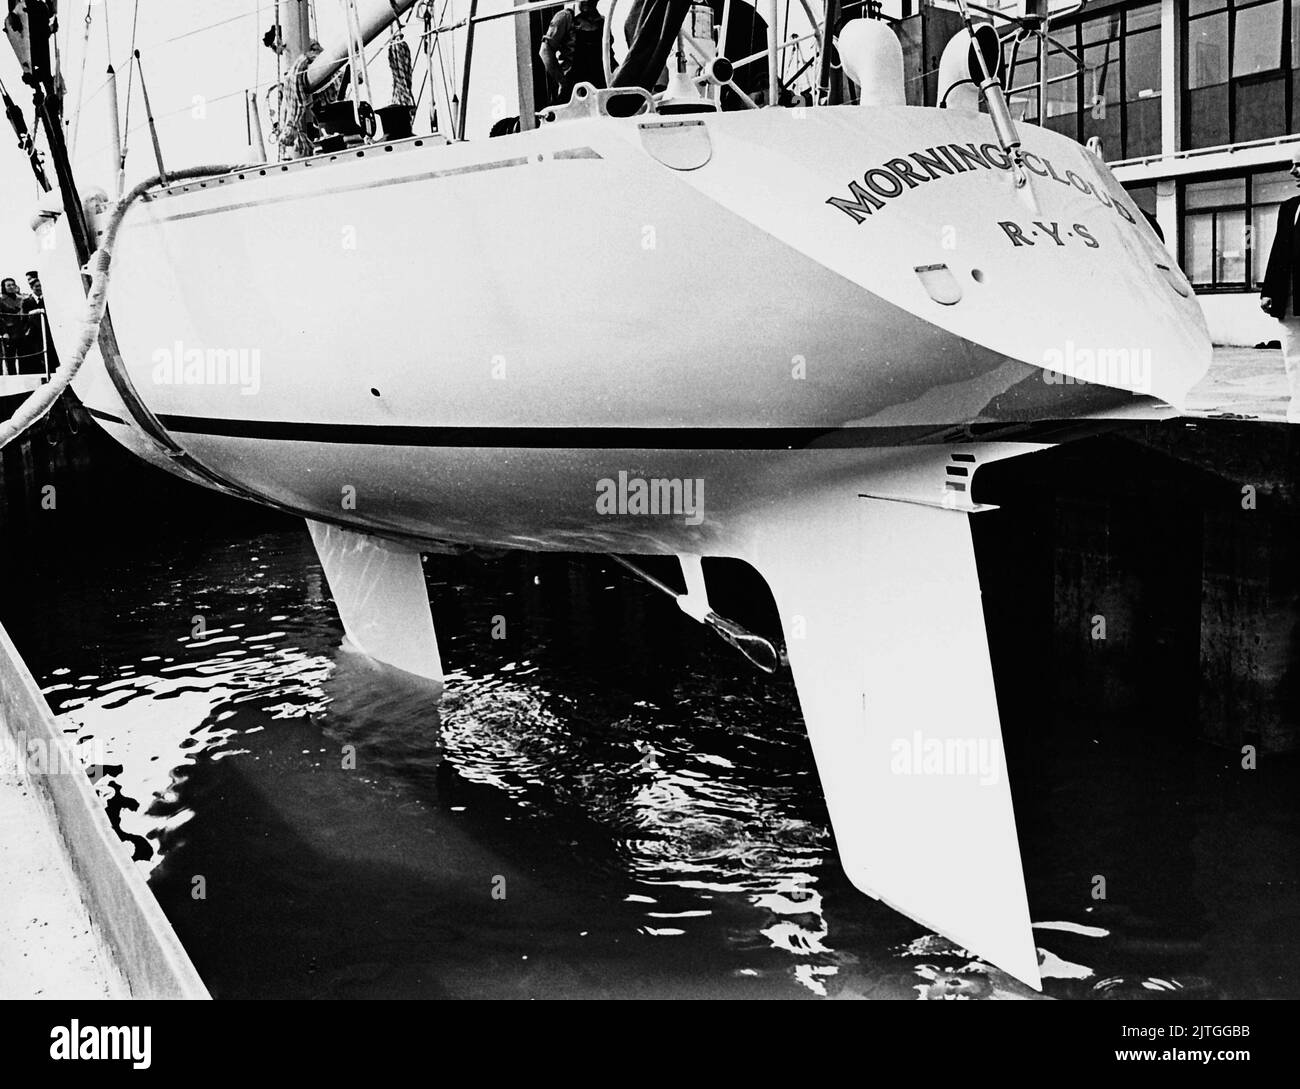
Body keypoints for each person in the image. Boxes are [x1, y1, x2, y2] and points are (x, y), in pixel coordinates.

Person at [1259, 146, 1300, 422]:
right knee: (1294, 361)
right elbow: (1278, 252)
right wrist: (1268, 292)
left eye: (1299, 164)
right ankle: (1297, 416)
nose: (1293, 171)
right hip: (1289, 304)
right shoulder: (1289, 208)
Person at [540, 0, 610, 105]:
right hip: (572, 90)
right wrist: (562, 81)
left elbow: (610, 58)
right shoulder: (565, 17)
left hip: (598, 90)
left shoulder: (603, 22)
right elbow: (545, 50)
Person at [23, 270, 56, 373]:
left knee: (51, 352)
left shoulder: (48, 299)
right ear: (32, 288)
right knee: (39, 353)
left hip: (49, 330)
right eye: (36, 286)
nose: (39, 288)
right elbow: (24, 318)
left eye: (40, 286)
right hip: (36, 333)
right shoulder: (27, 302)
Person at [0, 276, 30, 376]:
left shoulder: (21, 299)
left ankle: (24, 376)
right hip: (9, 332)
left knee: (24, 357)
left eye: (13, 285)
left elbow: (25, 314)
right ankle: (12, 376)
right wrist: (4, 332)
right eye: (8, 285)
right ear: (4, 287)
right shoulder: (1, 300)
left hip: (21, 330)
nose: (11, 287)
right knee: (10, 358)